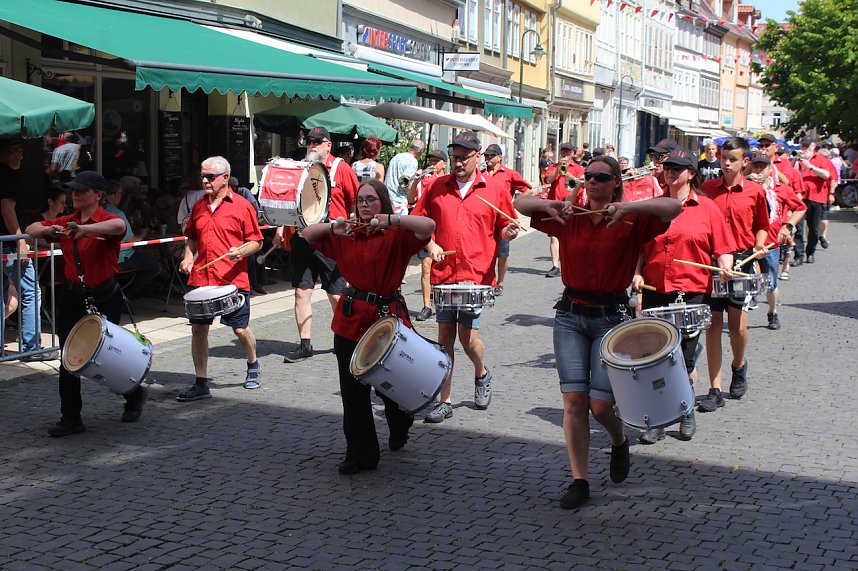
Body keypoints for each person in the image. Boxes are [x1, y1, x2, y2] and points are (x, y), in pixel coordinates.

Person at [515, 156, 682, 510]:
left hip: (610, 317)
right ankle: (580, 480)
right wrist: (549, 205)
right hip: (570, 316)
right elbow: (519, 203)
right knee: (574, 402)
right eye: (588, 176)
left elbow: (673, 207)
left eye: (601, 177)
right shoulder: (569, 217)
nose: (591, 182)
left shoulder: (631, 220)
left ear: (616, 182)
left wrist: (628, 207)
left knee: (601, 405)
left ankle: (619, 439)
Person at [301, 179, 435, 474]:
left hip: (385, 318)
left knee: (392, 387)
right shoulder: (347, 234)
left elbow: (428, 226)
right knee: (352, 393)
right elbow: (306, 234)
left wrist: (391, 220)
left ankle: (400, 421)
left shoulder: (396, 234)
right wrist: (332, 227)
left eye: (371, 199)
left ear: (382, 202)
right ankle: (361, 455)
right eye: (360, 200)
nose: (364, 204)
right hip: (351, 319)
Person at [25, 171, 147, 436]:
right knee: (68, 358)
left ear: (99, 195)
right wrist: (48, 230)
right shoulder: (67, 220)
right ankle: (71, 418)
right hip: (72, 297)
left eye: (81, 190)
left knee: (109, 357)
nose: (75, 195)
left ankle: (134, 394)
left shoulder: (107, 219)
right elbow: (29, 229)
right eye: (73, 190)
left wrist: (85, 230)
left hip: (103, 296)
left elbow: (119, 227)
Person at [411, 132, 521, 422]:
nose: (458, 163)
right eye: (454, 158)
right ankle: (445, 400)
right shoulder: (436, 187)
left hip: (475, 275)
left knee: (467, 338)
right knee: (444, 337)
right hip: (445, 274)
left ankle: (481, 372)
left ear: (477, 157)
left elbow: (506, 225)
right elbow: (419, 222)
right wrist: (430, 244)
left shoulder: (493, 189)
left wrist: (509, 231)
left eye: (463, 158)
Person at [631, 149, 735, 444]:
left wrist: (725, 266)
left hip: (691, 292)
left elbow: (723, 248)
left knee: (683, 359)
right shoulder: (653, 206)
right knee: (655, 357)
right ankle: (658, 417)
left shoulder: (707, 208)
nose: (670, 172)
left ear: (691, 173)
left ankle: (685, 409)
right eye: (667, 167)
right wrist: (636, 273)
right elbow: (638, 247)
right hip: (656, 290)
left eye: (678, 168)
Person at [176, 157, 263, 400]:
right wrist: (188, 258)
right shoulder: (199, 206)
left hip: (232, 280)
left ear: (225, 178)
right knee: (198, 330)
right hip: (202, 277)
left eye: (210, 177)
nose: (204, 181)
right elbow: (192, 237)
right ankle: (201, 382)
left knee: (240, 329)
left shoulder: (242, 206)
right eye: (202, 176)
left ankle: (253, 363)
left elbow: (256, 241)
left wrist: (241, 251)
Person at [274, 126, 358, 363]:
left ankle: (346, 339)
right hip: (303, 238)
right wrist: (280, 230)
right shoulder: (301, 168)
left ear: (328, 145)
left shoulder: (341, 168)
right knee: (301, 292)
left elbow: (355, 201)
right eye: (309, 141)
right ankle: (305, 344)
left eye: (317, 142)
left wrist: (352, 230)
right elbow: (289, 202)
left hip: (332, 240)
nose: (311, 145)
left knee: (336, 294)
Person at [698, 137, 770, 412]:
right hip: (713, 263)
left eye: (733, 159)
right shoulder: (707, 189)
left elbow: (762, 225)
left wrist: (760, 244)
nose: (726, 163)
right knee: (713, 324)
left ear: (745, 162)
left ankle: (739, 365)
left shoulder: (755, 192)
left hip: (742, 262)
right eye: (723, 158)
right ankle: (714, 388)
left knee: (737, 327)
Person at [745, 151, 806, 330]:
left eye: (763, 166)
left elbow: (800, 207)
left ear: (769, 168)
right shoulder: (743, 187)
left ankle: (773, 312)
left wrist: (788, 226)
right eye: (756, 166)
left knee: (770, 283)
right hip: (746, 242)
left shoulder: (780, 189)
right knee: (742, 282)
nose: (759, 170)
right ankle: (739, 319)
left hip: (770, 243)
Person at [1, 137, 46, 360]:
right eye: (18, 150)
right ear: (8, 152)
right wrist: (19, 240)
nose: (21, 155)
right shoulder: (7, 175)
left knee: (3, 294)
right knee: (30, 291)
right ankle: (31, 348)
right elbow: (7, 208)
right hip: (9, 244)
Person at [482, 144, 532, 295]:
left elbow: (527, 190)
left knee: (502, 254)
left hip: (502, 218)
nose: (488, 158)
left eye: (491, 155)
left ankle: (500, 282)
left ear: (499, 157)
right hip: (484, 219)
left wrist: (513, 204)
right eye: (486, 155)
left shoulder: (509, 174)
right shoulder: (480, 173)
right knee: (485, 252)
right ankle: (486, 281)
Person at [406, 149, 448, 322]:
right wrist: (416, 180)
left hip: (444, 227)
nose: (432, 164)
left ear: (444, 164)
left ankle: (443, 301)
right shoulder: (424, 180)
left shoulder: (448, 181)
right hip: (427, 228)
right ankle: (427, 306)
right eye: (430, 160)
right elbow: (410, 200)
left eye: (436, 161)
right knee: (426, 266)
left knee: (444, 265)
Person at [103, 180, 162, 299]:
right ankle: (125, 295)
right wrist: (143, 234)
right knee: (156, 267)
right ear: (117, 194)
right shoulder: (117, 214)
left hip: (102, 257)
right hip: (121, 257)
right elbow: (132, 240)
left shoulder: (95, 209)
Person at [542, 142, 585, 277]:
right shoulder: (553, 166)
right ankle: (555, 266)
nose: (566, 153)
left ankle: (571, 264)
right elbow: (548, 180)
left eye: (568, 151)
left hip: (572, 205)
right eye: (564, 151)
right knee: (554, 236)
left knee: (571, 236)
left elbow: (582, 183)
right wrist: (558, 168)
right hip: (555, 205)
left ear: (573, 153)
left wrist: (569, 175)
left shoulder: (578, 168)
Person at [795, 138, 837, 265]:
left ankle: (810, 253)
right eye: (803, 145)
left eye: (807, 146)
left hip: (816, 197)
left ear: (813, 146)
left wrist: (810, 166)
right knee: (798, 228)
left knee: (813, 228)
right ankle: (798, 256)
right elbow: (792, 174)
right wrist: (795, 160)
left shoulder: (821, 160)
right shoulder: (798, 160)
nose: (805, 148)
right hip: (800, 197)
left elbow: (827, 175)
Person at [384, 139, 424, 214]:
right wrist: (412, 190)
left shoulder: (397, 157)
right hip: (398, 202)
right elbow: (404, 181)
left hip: (387, 199)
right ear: (421, 150)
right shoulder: (412, 161)